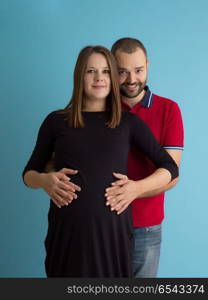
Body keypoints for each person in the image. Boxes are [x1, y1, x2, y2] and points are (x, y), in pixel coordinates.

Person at [22, 45, 179, 277]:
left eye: (106, 71)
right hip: (67, 236)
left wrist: (136, 187)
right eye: (90, 71)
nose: (99, 78)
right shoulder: (55, 121)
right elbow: (28, 174)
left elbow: (170, 167)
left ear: (113, 78)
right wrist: (45, 181)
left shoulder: (128, 123)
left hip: (112, 238)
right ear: (79, 75)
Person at [105, 38, 184, 277]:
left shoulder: (168, 109)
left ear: (147, 66)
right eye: (122, 72)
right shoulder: (97, 108)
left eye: (138, 70)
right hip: (101, 224)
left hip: (146, 227)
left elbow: (172, 175)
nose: (132, 80)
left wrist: (134, 190)